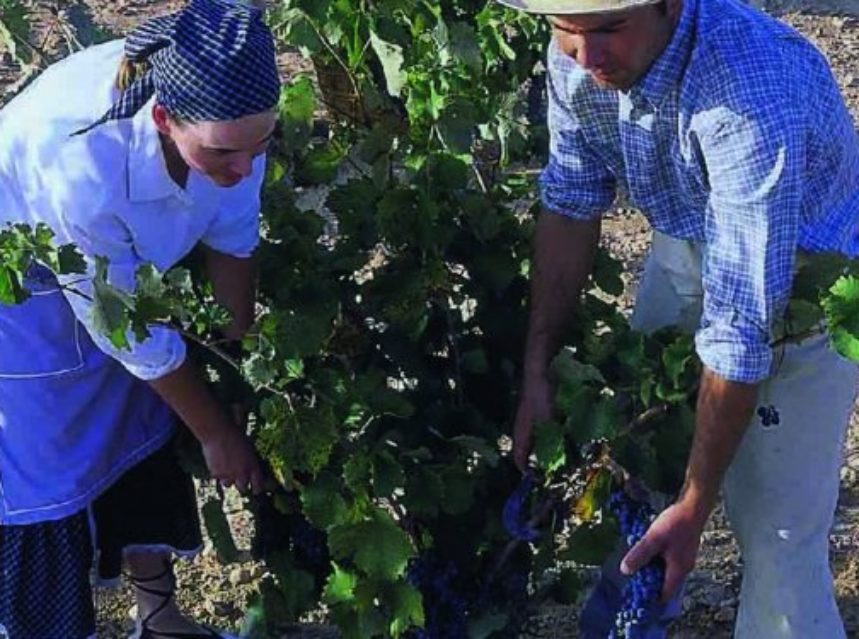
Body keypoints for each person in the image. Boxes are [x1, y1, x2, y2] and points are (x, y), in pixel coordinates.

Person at [498, 0, 859, 636]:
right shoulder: (580, 57)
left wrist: (697, 503)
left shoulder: (747, 90)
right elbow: (571, 199)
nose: (587, 57)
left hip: (808, 283)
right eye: (565, 32)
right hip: (683, 243)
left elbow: (743, 323)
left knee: (777, 536)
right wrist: (537, 371)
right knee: (635, 471)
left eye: (609, 29)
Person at [0, 0, 281, 637]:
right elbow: (129, 334)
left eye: (260, 145)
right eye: (223, 155)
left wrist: (229, 381)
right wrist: (215, 433)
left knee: (145, 430)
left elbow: (233, 245)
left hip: (123, 286)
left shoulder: (239, 124)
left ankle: (159, 619)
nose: (244, 170)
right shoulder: (79, 166)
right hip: (22, 289)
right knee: (49, 473)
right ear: (162, 117)